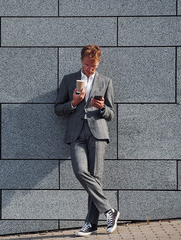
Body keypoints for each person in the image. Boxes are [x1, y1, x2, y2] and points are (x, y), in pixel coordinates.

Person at [54, 45, 120, 236]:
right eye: (87, 65)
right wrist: (74, 103)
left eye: (94, 66)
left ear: (98, 63)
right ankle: (109, 210)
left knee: (96, 177)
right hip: (76, 134)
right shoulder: (68, 80)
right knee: (80, 171)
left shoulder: (106, 82)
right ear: (81, 60)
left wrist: (101, 108)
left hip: (97, 133)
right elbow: (58, 109)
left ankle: (91, 224)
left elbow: (111, 113)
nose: (91, 69)